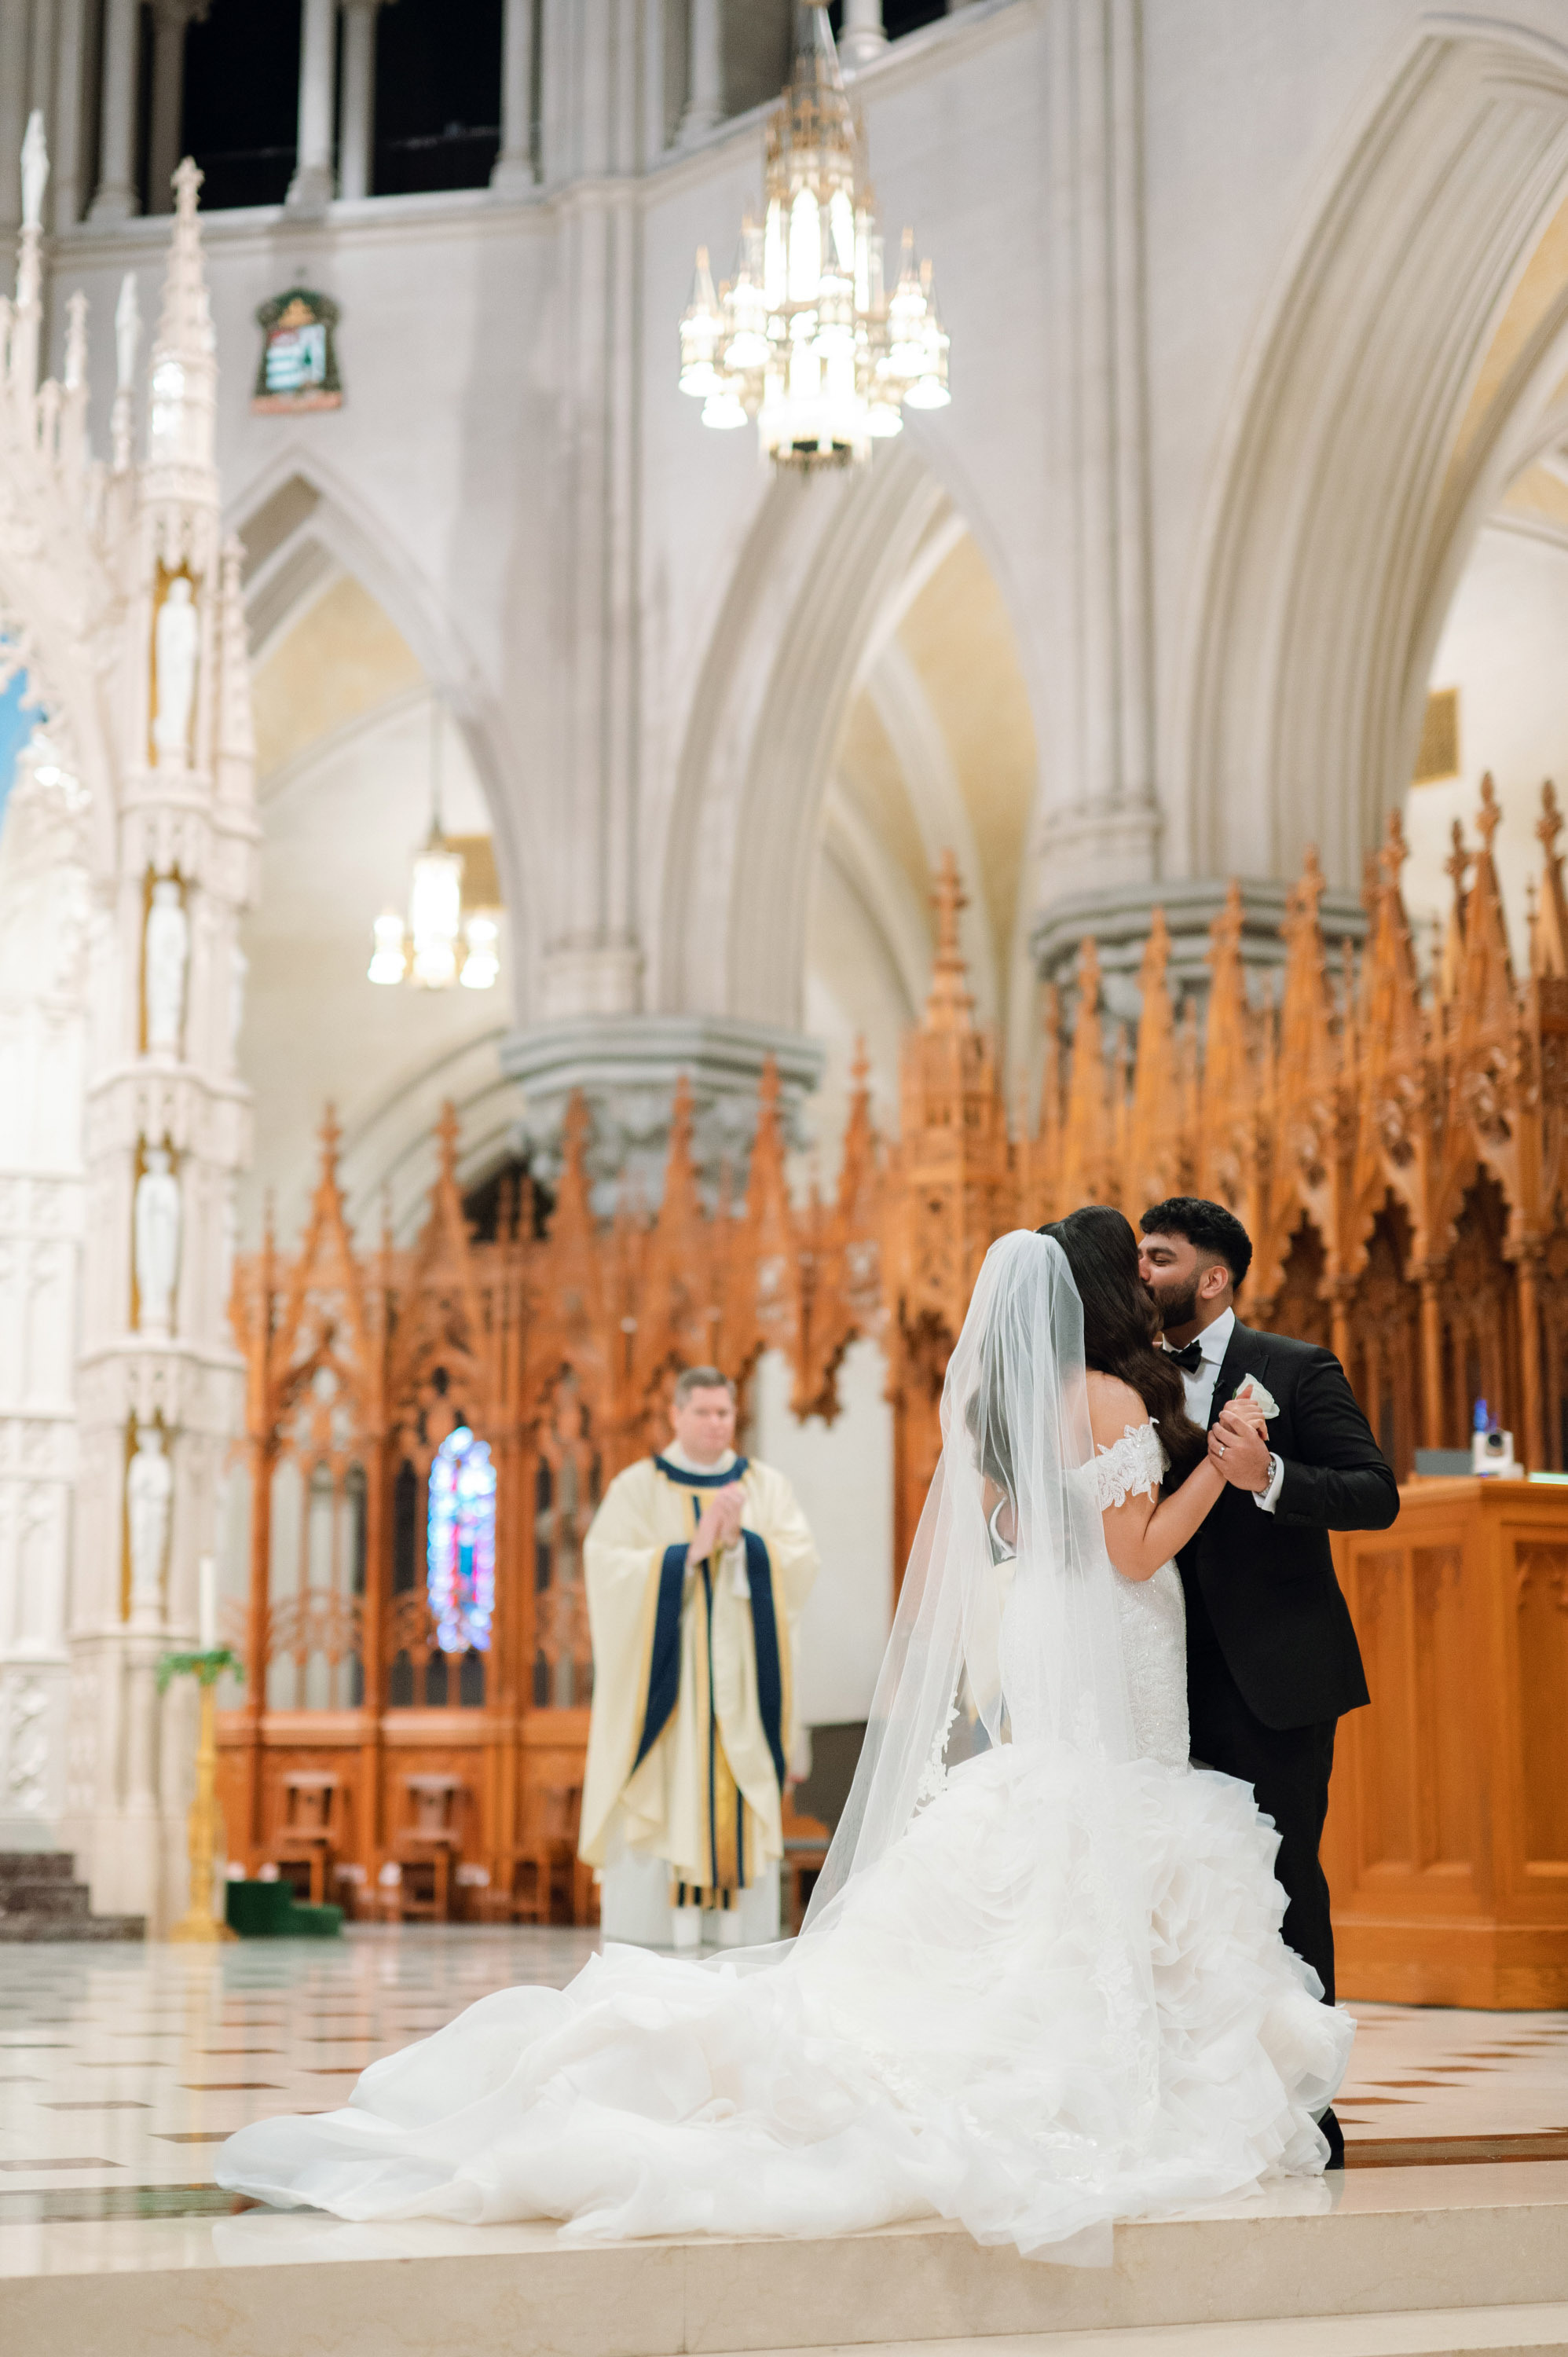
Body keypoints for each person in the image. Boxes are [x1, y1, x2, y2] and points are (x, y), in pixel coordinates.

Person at [216, 1219, 1350, 2262]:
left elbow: (1026, 1533)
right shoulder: (1105, 1398)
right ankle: (1124, 2067)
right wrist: (1218, 1462)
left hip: (1058, 1629)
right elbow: (1138, 1554)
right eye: (1140, 1269)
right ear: (1110, 1291)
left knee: (1063, 1814)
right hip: (1114, 1622)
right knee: (1107, 1820)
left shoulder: (1014, 1403)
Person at [1138, 1195, 1399, 2168]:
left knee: (1284, 1890)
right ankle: (1201, 2104)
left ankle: (1305, 2112)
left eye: (1157, 1258)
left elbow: (1374, 1494)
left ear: (1212, 1278)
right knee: (1180, 1901)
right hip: (1158, 1677)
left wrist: (1270, 1475)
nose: (1140, 1275)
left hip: (1274, 1682)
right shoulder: (1124, 1379)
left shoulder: (1293, 1368)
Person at [579, 1367, 819, 1949]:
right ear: (676, 1415)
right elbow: (607, 1568)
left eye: (726, 1414)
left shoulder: (765, 1488)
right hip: (675, 1689)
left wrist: (744, 1546)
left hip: (740, 1681)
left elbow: (801, 1563)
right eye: (705, 1413)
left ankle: (740, 1931)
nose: (717, 1424)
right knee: (669, 1784)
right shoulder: (636, 1489)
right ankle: (655, 1929)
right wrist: (687, 1554)